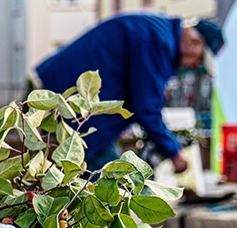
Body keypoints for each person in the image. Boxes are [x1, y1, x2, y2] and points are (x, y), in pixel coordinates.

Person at [34, 13, 224, 173]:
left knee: (96, 183)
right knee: (108, 188)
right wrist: (174, 152)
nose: (193, 66)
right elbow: (146, 106)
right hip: (71, 104)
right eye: (198, 60)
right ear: (194, 42)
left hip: (67, 97)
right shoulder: (160, 43)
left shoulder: (159, 32)